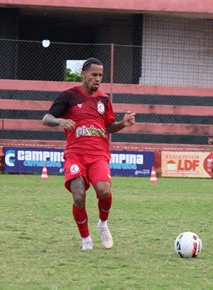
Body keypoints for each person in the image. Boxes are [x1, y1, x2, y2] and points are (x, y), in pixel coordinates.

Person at [42, 58, 136, 251]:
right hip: (75, 154)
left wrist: (122, 124)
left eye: (101, 75)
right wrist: (60, 122)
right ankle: (85, 238)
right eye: (94, 75)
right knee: (78, 196)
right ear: (83, 74)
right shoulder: (68, 96)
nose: (98, 79)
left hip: (98, 155)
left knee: (104, 191)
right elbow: (46, 118)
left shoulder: (104, 100)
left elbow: (108, 126)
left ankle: (103, 223)